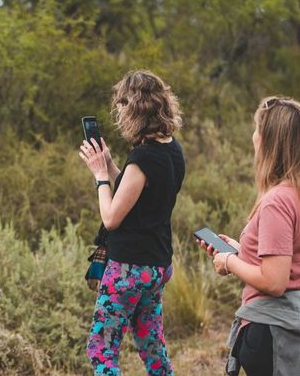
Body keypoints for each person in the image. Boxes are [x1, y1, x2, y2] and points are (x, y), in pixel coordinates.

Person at [198, 96, 300, 376]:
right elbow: (296, 265)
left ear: (268, 140)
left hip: (275, 335)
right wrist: (244, 252)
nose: (253, 136)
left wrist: (229, 262)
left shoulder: (277, 201)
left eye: (256, 129)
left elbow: (275, 282)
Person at [79, 70, 185, 376]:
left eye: (122, 104)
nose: (119, 111)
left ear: (136, 107)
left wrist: (100, 177)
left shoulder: (143, 157)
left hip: (128, 268)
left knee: (102, 350)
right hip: (156, 265)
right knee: (152, 347)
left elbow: (112, 217)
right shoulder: (171, 150)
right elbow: (137, 195)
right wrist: (112, 165)